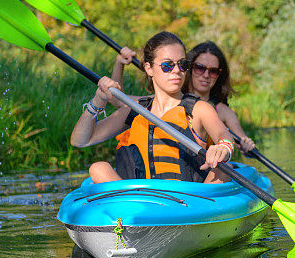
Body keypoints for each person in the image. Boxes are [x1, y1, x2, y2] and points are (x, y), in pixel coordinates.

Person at [70, 32, 234, 184]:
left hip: (188, 201)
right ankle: (132, 207)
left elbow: (223, 135)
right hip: (142, 200)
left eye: (182, 64)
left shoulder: (198, 108)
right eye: (167, 65)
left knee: (224, 169)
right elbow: (80, 141)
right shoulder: (135, 108)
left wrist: (223, 148)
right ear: (149, 68)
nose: (177, 71)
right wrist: (97, 101)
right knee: (98, 168)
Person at [183, 41, 256, 153]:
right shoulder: (174, 100)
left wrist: (247, 146)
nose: (206, 75)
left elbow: (242, 140)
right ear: (190, 68)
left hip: (208, 167)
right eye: (199, 68)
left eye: (213, 71)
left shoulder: (224, 112)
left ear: (219, 75)